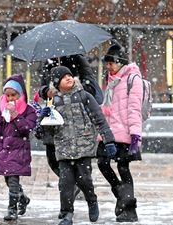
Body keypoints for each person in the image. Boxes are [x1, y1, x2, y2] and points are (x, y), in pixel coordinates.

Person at [40, 66, 116, 225]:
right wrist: (44, 120)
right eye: (63, 77)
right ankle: (67, 213)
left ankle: (92, 200)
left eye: (70, 75)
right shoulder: (53, 101)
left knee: (84, 180)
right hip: (64, 148)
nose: (69, 78)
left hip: (84, 147)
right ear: (56, 83)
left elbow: (99, 119)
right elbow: (48, 130)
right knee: (65, 183)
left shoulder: (84, 96)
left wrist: (108, 140)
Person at [96, 43, 143, 222]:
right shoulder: (112, 80)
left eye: (111, 63)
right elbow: (109, 108)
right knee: (102, 163)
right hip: (109, 132)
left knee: (123, 167)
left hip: (125, 133)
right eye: (107, 63)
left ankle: (130, 210)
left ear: (121, 62)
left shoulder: (133, 79)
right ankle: (120, 196)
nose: (108, 67)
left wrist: (135, 136)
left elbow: (134, 109)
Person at [0, 74, 37, 221]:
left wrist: (16, 115)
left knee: (13, 181)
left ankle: (12, 210)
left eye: (14, 95)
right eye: (8, 95)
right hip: (4, 151)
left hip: (19, 151)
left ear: (21, 94)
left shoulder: (28, 110)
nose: (10, 99)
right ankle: (22, 198)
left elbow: (27, 129)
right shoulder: (1, 110)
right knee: (8, 180)